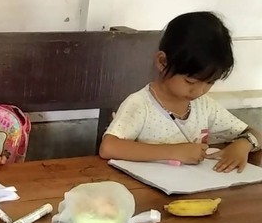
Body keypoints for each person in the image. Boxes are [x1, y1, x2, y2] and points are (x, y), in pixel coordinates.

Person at [99, 11, 261, 173]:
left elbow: (254, 134)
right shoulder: (141, 104)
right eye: (190, 81)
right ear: (162, 62)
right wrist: (174, 151)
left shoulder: (204, 106)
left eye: (209, 83)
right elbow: (109, 147)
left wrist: (243, 145)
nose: (199, 91)